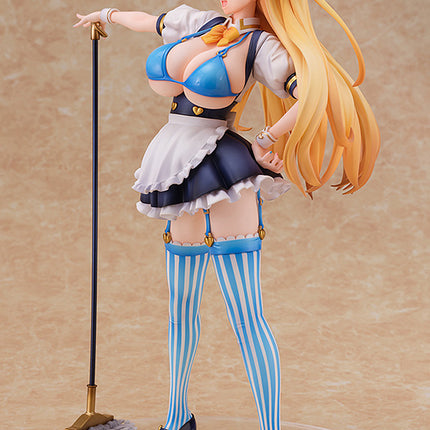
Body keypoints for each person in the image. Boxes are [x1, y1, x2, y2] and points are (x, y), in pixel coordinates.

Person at [74, 1, 379, 429]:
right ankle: (176, 418)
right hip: (176, 167)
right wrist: (107, 16)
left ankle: (270, 426)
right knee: (180, 307)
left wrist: (267, 138)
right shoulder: (200, 22)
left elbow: (316, 95)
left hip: (223, 171)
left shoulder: (262, 46)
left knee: (246, 314)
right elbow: (148, 22)